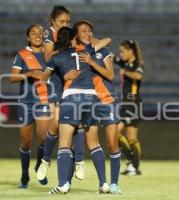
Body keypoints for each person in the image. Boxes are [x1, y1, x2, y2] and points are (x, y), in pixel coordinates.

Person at [42, 26, 111, 194]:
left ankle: (63, 185)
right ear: (74, 38)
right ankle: (103, 184)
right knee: (94, 143)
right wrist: (90, 40)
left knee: (64, 144)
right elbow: (107, 40)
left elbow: (44, 77)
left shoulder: (56, 58)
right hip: (92, 98)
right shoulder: (86, 51)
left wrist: (64, 76)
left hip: (72, 98)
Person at [37, 5, 87, 182]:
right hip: (57, 82)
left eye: (67, 21)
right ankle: (45, 160)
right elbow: (49, 57)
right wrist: (68, 48)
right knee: (57, 123)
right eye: (61, 21)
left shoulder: (71, 34)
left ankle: (79, 161)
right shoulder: (49, 34)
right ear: (52, 21)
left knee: (77, 123)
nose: (65, 24)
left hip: (74, 83)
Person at [78, 20, 122, 194]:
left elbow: (110, 76)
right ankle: (103, 183)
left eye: (90, 31)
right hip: (88, 102)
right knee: (92, 143)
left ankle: (114, 183)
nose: (87, 33)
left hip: (106, 100)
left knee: (112, 144)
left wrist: (92, 62)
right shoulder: (76, 53)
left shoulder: (103, 52)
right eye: (83, 31)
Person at [9, 24, 51, 189]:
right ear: (28, 37)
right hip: (25, 101)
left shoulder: (49, 54)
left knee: (43, 138)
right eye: (33, 33)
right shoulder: (22, 54)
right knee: (26, 141)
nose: (37, 35)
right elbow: (12, 78)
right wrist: (29, 74)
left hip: (43, 100)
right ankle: (24, 175)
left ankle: (40, 166)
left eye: (40, 33)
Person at [114, 40, 144, 176]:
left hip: (132, 102)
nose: (121, 54)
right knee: (117, 133)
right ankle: (132, 164)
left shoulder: (136, 63)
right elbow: (112, 57)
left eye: (123, 51)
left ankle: (134, 165)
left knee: (130, 136)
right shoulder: (125, 63)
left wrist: (125, 72)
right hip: (127, 103)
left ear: (130, 51)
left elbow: (138, 75)